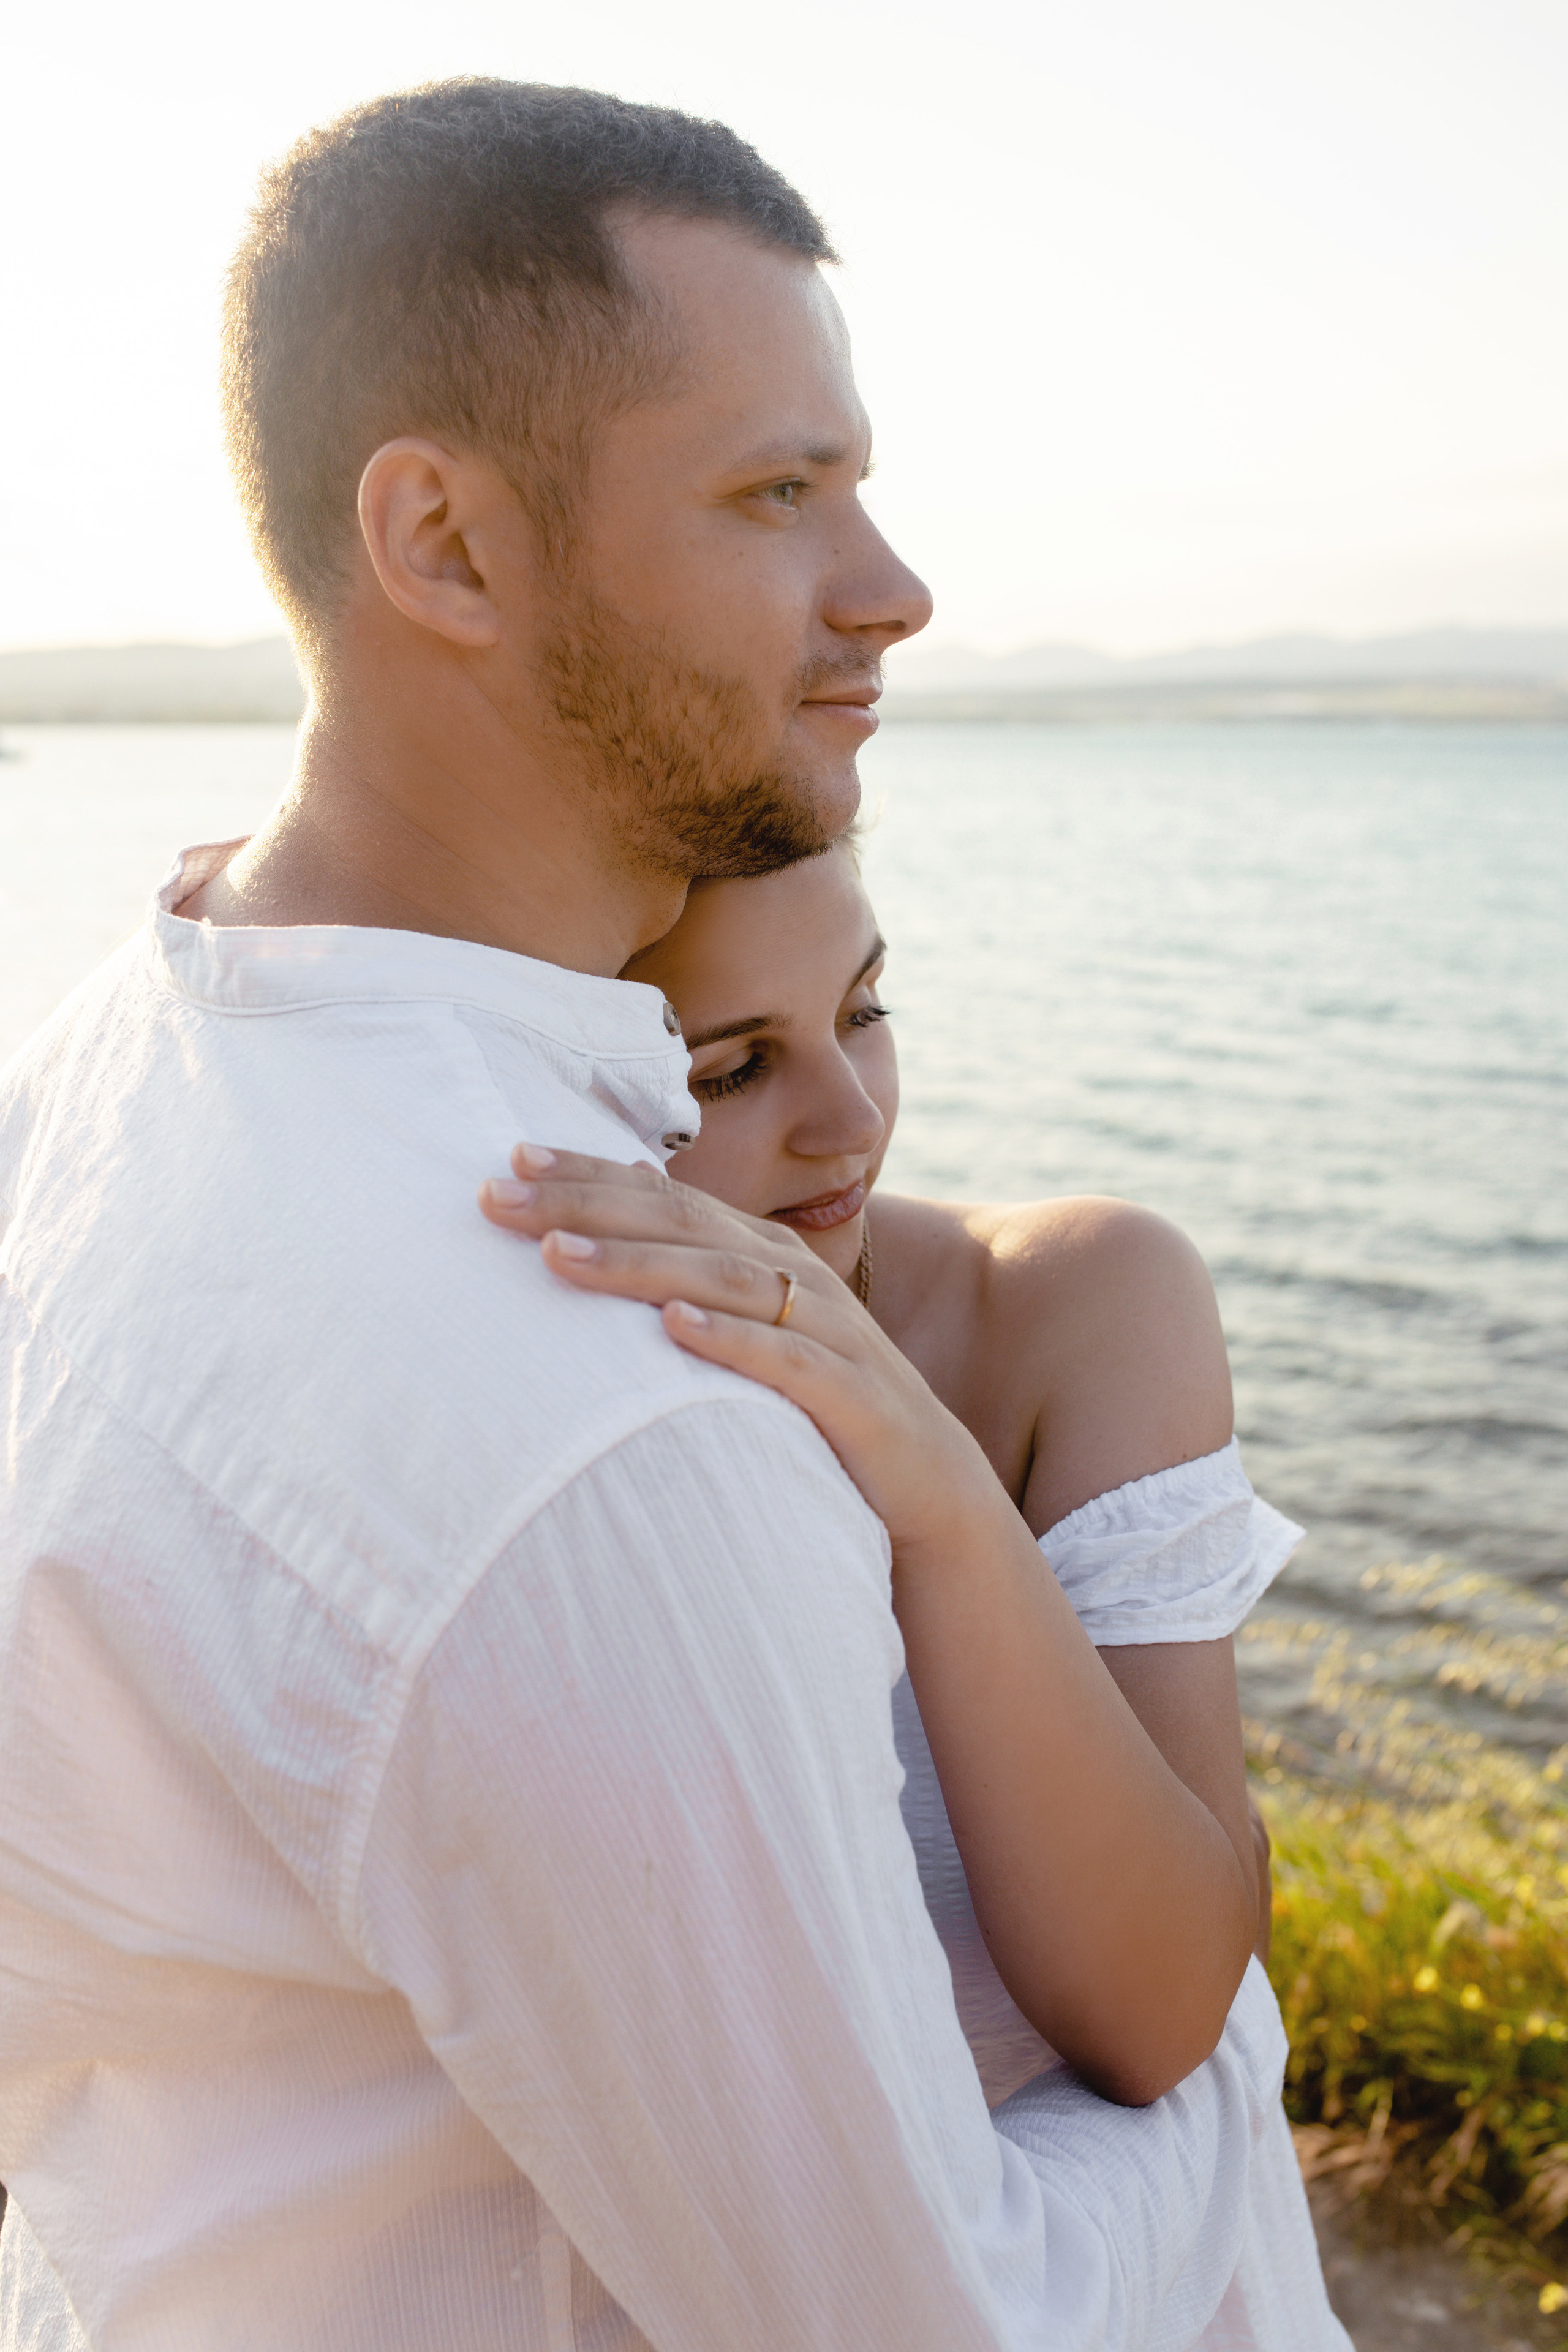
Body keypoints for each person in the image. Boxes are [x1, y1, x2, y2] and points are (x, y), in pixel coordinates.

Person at [1, 78, 1308, 2352]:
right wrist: (1231, 2068)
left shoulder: (111, 1078)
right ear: (448, 545)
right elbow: (939, 2327)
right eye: (777, 493)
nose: (895, 589)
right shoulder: (594, 1413)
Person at [478, 839, 1351, 2345]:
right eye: (735, 1068)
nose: (854, 1119)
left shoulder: (1072, 1307)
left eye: (863, 1006)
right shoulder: (536, 1408)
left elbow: (1159, 2012)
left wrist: (939, 1494)